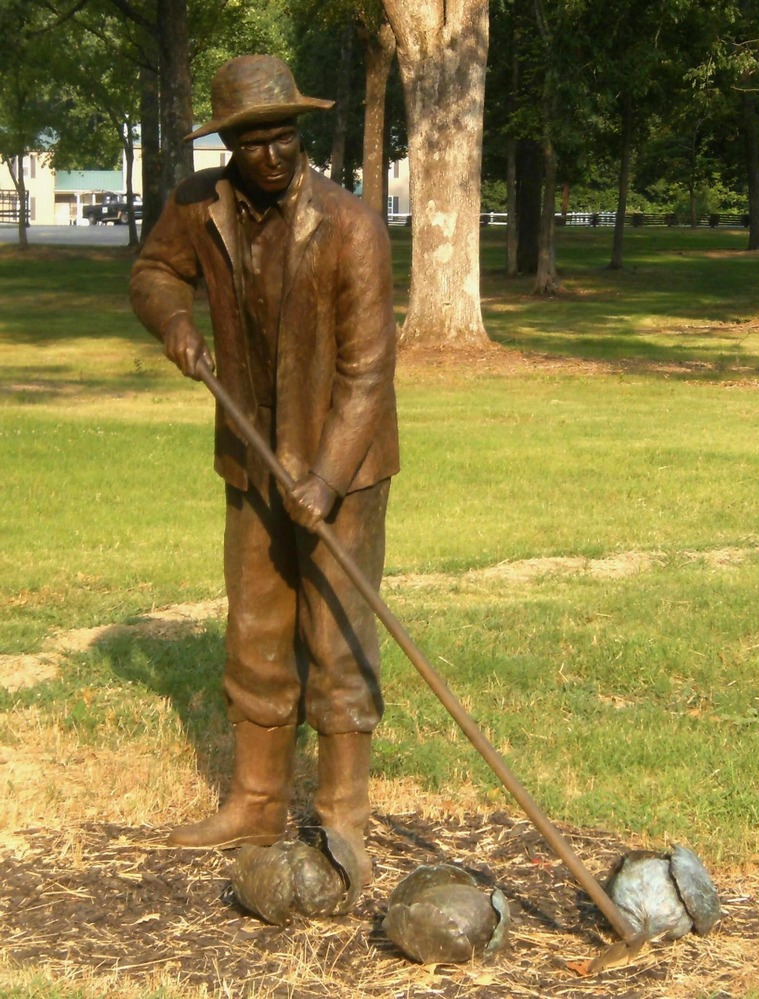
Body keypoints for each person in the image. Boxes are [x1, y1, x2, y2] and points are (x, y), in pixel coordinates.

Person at [130, 55, 399, 884]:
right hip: (251, 456)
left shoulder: (350, 225)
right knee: (255, 628)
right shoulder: (193, 209)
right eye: (255, 142)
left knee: (336, 630)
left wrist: (323, 476)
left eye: (285, 136)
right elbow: (151, 273)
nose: (274, 154)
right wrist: (174, 321)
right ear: (228, 147)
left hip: (339, 467)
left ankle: (342, 810)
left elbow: (366, 371)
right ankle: (254, 797)